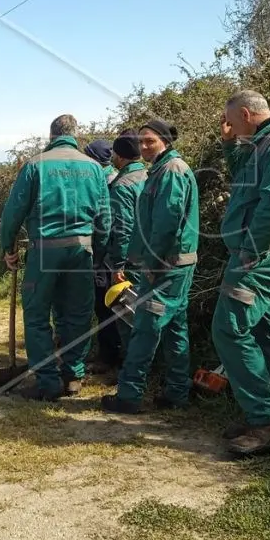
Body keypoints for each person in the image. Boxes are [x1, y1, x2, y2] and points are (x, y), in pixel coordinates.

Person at [0, 115, 111, 401]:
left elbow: (14, 212)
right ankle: (73, 376)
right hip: (81, 250)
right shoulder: (95, 169)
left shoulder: (35, 165)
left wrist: (7, 247)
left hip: (45, 250)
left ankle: (47, 382)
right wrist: (97, 251)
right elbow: (105, 219)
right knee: (77, 314)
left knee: (37, 315)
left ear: (51, 136)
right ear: (76, 135)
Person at [214, 90, 270, 456]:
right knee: (265, 329)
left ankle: (267, 420)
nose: (230, 127)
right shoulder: (264, 141)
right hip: (265, 252)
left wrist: (250, 252)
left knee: (228, 327)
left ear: (247, 114)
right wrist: (230, 145)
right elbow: (245, 183)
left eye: (232, 122)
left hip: (263, 254)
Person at [103, 119, 199, 414]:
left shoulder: (170, 171)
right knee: (174, 329)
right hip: (176, 264)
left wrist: (152, 262)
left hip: (165, 265)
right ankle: (177, 392)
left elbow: (166, 222)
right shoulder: (160, 169)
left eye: (150, 141)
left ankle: (130, 395)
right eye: (141, 141)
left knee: (145, 327)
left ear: (166, 142)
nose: (144, 147)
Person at [87, 131, 147, 381]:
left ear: (119, 157)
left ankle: (122, 367)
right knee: (140, 313)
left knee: (116, 309)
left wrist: (115, 263)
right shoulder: (149, 176)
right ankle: (132, 365)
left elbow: (120, 228)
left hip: (124, 260)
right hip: (147, 256)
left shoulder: (122, 186)